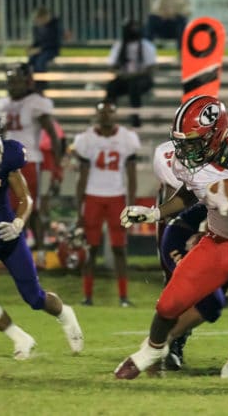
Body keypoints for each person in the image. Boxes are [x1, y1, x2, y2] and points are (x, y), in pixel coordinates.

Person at [115, 95, 228, 384]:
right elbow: (191, 191)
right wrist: (154, 214)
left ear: (216, 134)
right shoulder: (185, 161)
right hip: (218, 243)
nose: (185, 148)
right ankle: (150, 351)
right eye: (182, 140)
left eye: (192, 140)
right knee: (168, 305)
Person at [0, 99, 83, 359]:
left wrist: (18, 223)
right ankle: (20, 338)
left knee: (33, 297)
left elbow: (25, 198)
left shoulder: (7, 154)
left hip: (7, 233)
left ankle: (66, 314)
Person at [152, 140, 228, 377]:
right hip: (185, 237)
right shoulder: (213, 172)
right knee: (209, 302)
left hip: (222, 244)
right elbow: (188, 203)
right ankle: (156, 348)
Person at [73, 100, 139, 307]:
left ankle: (123, 296)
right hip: (93, 195)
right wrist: (79, 208)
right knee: (90, 248)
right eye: (103, 113)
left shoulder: (127, 138)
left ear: (115, 115)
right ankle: (87, 296)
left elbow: (132, 175)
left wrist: (132, 203)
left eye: (110, 112)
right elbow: (82, 177)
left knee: (120, 249)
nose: (106, 116)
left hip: (116, 196)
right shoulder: (86, 139)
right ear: (97, 115)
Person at [0, 63, 62, 267]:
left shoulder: (36, 102)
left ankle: (40, 253)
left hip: (29, 161)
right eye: (10, 81)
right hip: (5, 162)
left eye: (16, 81)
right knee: (6, 207)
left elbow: (53, 135)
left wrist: (57, 168)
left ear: (27, 81)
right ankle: (11, 252)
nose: (12, 85)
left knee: (32, 207)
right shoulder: (2, 103)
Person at [106, 19, 156, 128]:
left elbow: (151, 67)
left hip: (142, 79)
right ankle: (109, 117)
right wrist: (120, 73)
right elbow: (111, 66)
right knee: (111, 86)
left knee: (134, 85)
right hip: (124, 78)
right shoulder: (119, 46)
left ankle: (136, 118)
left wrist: (135, 75)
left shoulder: (146, 45)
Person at [28, 7, 63, 93]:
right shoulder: (37, 27)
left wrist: (40, 49)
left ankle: (41, 85)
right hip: (42, 50)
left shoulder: (54, 26)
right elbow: (37, 41)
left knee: (40, 62)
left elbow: (54, 42)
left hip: (51, 50)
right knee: (31, 61)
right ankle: (31, 84)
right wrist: (31, 47)